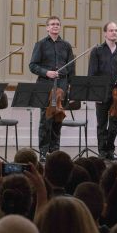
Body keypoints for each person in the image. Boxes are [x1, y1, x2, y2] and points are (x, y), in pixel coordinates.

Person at [29, 16, 75, 162]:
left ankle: (55, 150)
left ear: (60, 27)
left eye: (57, 24)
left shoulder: (66, 46)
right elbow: (33, 65)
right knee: (45, 119)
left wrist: (70, 86)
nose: (55, 26)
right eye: (52, 24)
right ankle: (43, 151)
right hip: (45, 85)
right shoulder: (40, 44)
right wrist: (47, 73)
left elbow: (71, 67)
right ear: (47, 28)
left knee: (57, 119)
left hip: (61, 86)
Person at [87, 21, 117, 160]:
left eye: (116, 30)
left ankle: (110, 149)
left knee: (114, 125)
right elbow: (92, 74)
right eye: (111, 30)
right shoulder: (97, 51)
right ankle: (102, 151)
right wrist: (95, 92)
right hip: (102, 92)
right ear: (105, 33)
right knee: (102, 124)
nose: (114, 33)